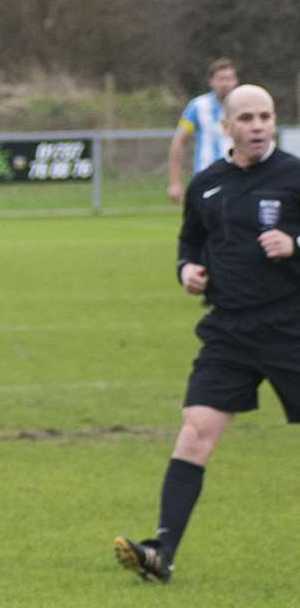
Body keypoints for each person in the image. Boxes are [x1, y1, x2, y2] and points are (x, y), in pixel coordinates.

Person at [116, 83, 300, 582]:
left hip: (290, 324)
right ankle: (162, 554)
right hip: (228, 331)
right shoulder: (206, 184)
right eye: (247, 118)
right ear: (227, 127)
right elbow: (190, 240)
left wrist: (296, 242)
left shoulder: (294, 176)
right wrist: (187, 270)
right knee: (195, 432)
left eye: (266, 116)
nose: (258, 126)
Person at [167, 57, 238, 205]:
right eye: (221, 79)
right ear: (211, 82)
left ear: (236, 81)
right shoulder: (198, 106)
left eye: (229, 78)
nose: (225, 83)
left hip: (237, 176)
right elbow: (178, 142)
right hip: (206, 178)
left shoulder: (244, 105)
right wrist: (175, 182)